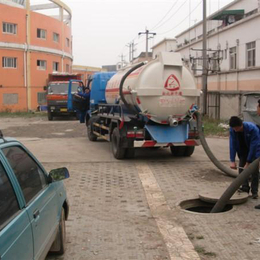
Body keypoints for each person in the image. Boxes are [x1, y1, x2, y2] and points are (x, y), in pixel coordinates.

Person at [229, 116, 260, 199]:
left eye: (236, 128)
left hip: (255, 150)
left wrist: (248, 162)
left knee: (254, 171)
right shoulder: (232, 130)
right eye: (233, 128)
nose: (235, 130)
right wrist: (232, 160)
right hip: (243, 151)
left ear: (241, 125)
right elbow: (232, 144)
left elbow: (254, 146)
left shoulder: (252, 129)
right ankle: (245, 188)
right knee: (242, 170)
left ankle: (254, 192)